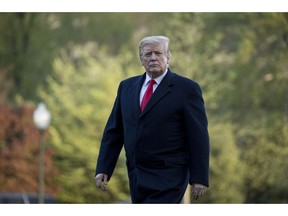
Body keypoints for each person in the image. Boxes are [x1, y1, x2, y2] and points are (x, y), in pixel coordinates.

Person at [95, 35, 210, 203]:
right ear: (141, 59)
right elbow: (114, 131)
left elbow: (198, 136)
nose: (153, 58)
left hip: (170, 176)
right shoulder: (126, 87)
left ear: (168, 56)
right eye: (148, 54)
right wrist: (104, 167)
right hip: (136, 175)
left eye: (158, 53)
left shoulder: (187, 89)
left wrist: (199, 177)